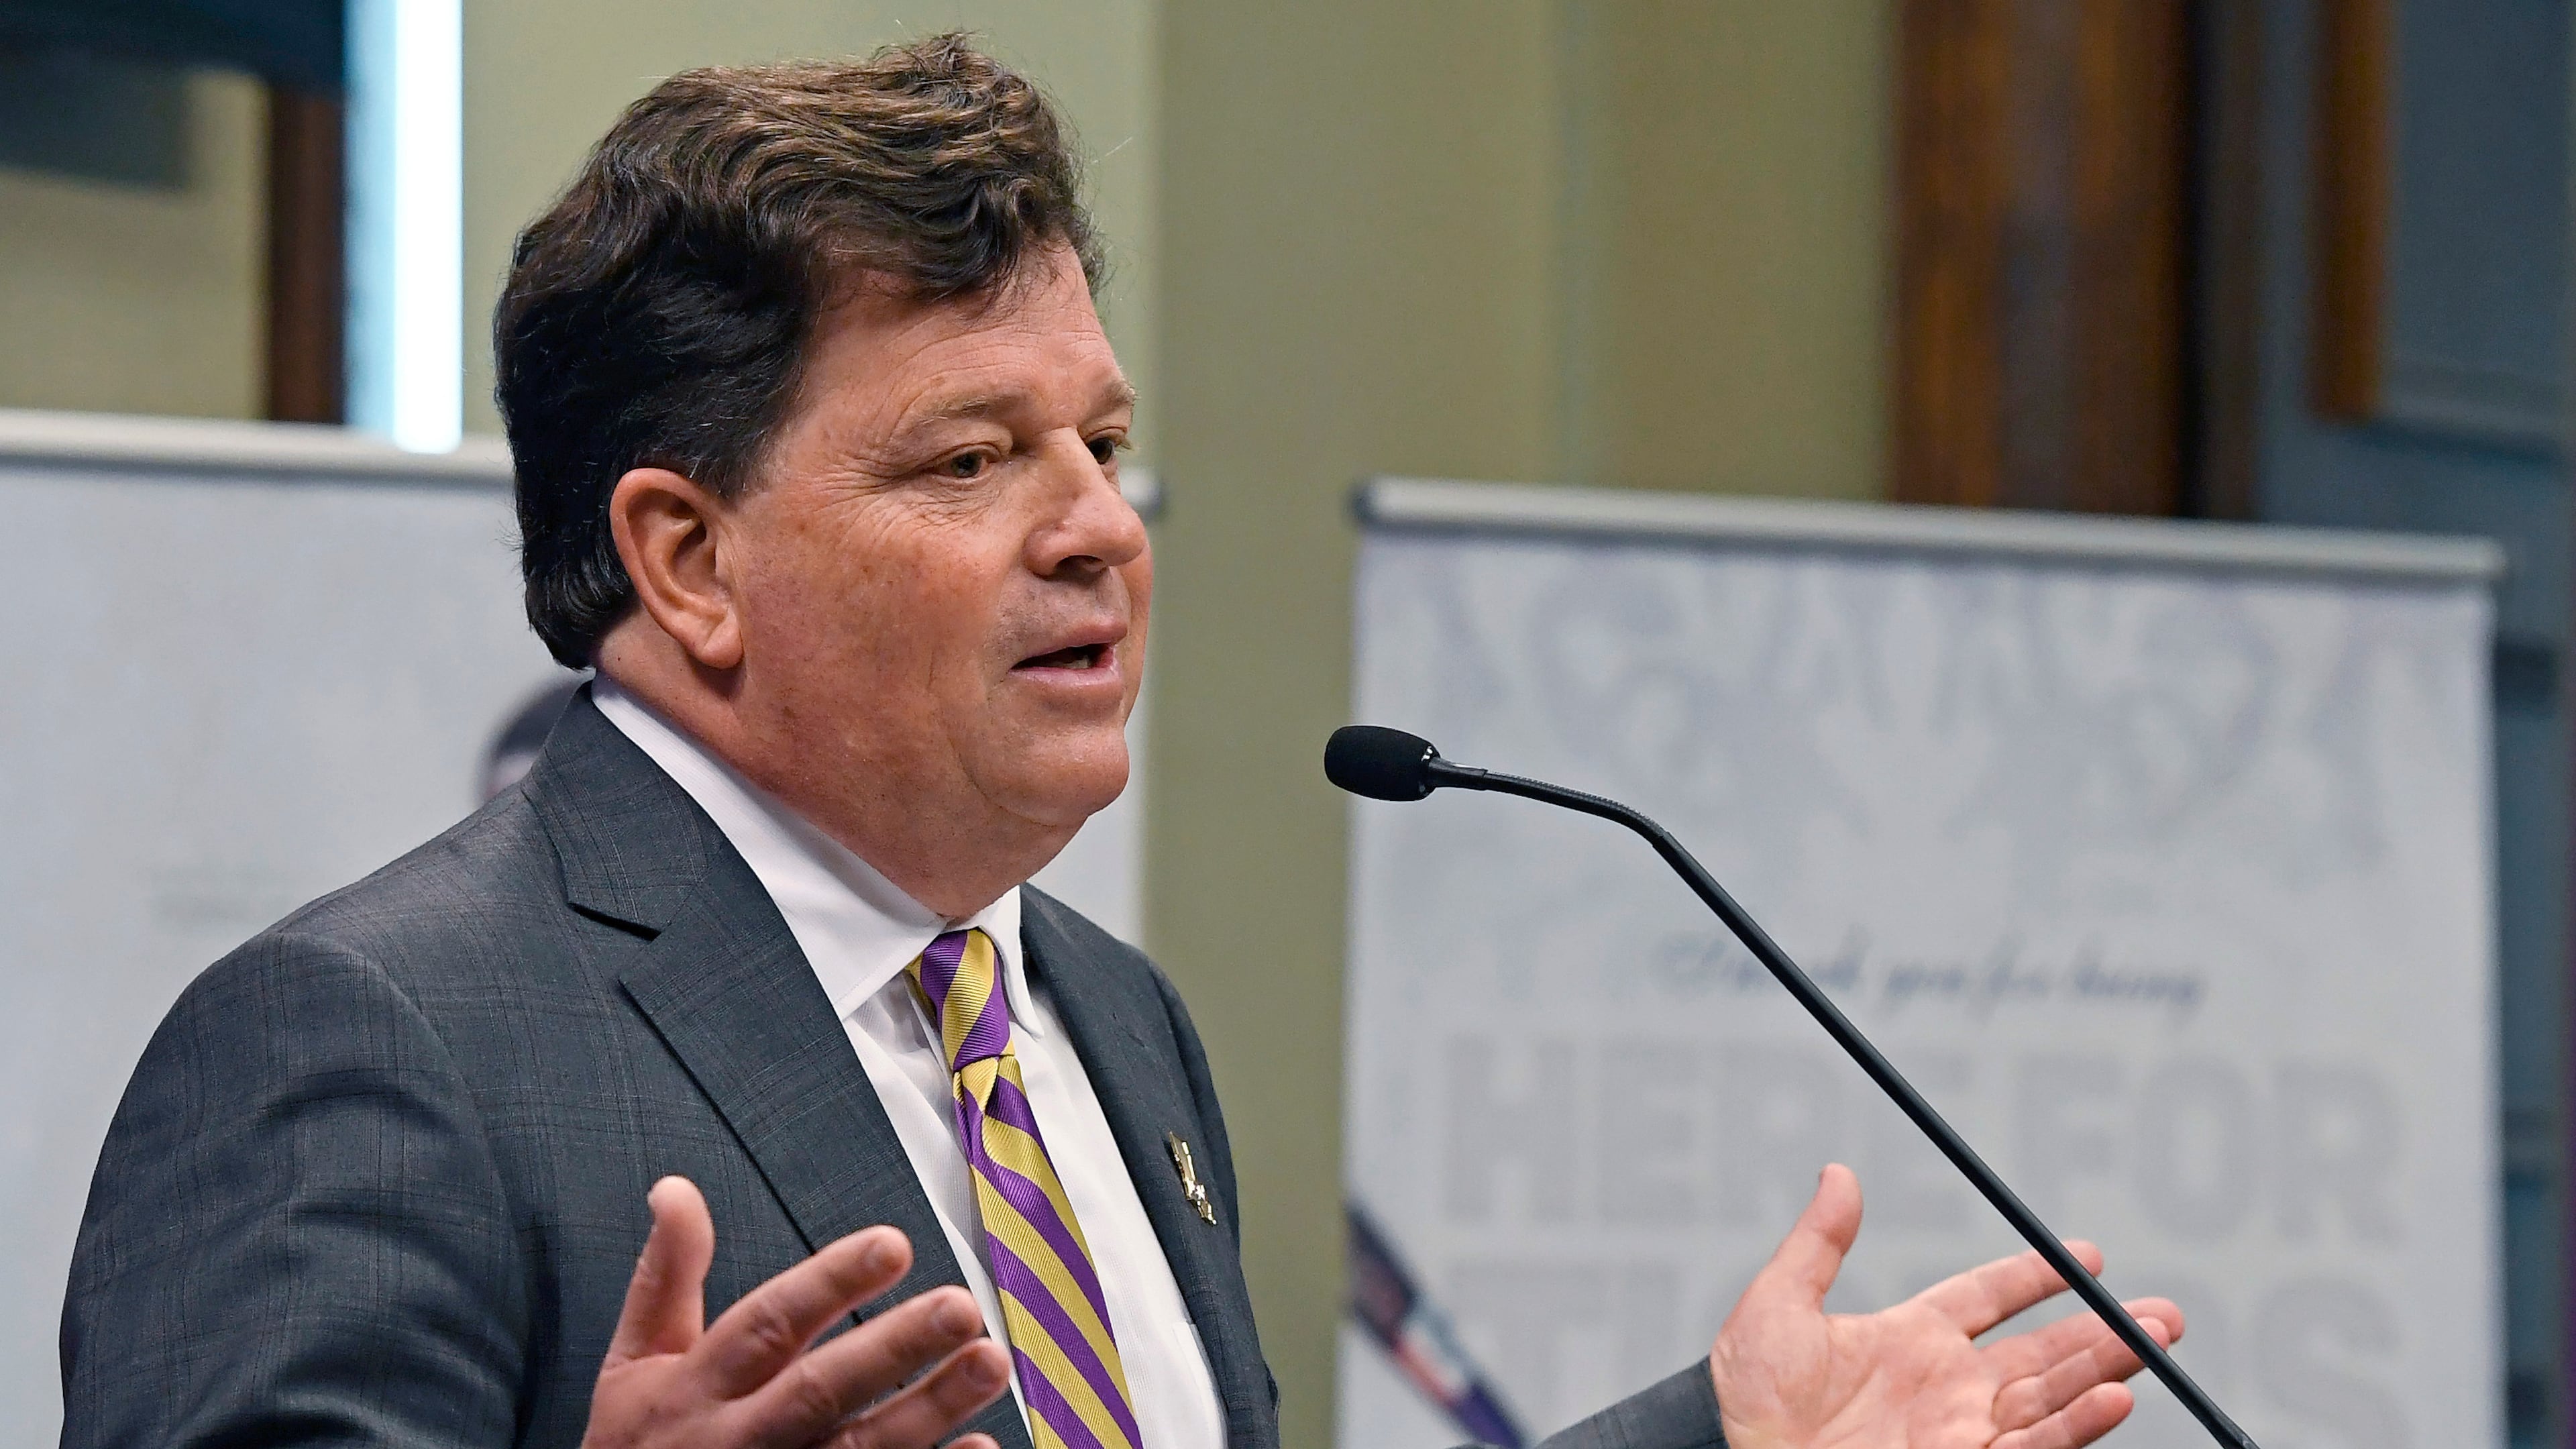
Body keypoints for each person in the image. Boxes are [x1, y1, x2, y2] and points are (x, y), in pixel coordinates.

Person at [59, 36, 2182, 1449]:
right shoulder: (372, 1045)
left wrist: (1716, 1441)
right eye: (973, 457)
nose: (1097, 526)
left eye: (1103, 439)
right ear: (686, 559)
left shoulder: (1100, 1024)